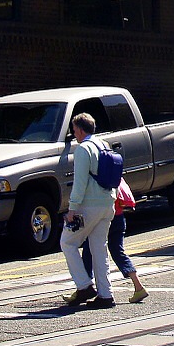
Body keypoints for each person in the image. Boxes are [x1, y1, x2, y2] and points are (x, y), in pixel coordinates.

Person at [60, 113, 117, 308]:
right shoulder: (104, 145)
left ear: (81, 130)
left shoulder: (83, 149)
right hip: (107, 203)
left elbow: (80, 182)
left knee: (67, 242)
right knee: (99, 248)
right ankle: (105, 294)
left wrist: (72, 208)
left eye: (74, 130)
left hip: (88, 206)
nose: (74, 134)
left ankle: (84, 286)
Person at [82, 177, 149, 304]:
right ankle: (138, 286)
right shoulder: (115, 174)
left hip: (105, 217)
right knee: (118, 251)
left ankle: (85, 287)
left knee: (89, 249)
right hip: (119, 217)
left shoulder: (97, 175)